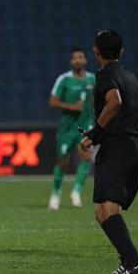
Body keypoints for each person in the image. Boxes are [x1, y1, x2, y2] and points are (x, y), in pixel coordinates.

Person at [80, 30, 138, 274]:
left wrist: (93, 135)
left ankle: (135, 265)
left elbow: (115, 101)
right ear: (122, 52)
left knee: (108, 210)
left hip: (117, 147)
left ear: (95, 51)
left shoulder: (104, 75)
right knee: (103, 212)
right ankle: (127, 262)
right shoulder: (132, 78)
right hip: (136, 146)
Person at [48, 47, 96, 209]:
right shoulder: (64, 79)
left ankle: (76, 192)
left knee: (86, 156)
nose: (78, 60)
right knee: (62, 162)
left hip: (85, 126)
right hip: (67, 128)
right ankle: (56, 193)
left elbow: (97, 100)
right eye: (75, 58)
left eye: (80, 57)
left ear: (85, 60)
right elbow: (53, 101)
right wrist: (72, 107)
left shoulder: (92, 79)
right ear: (71, 61)